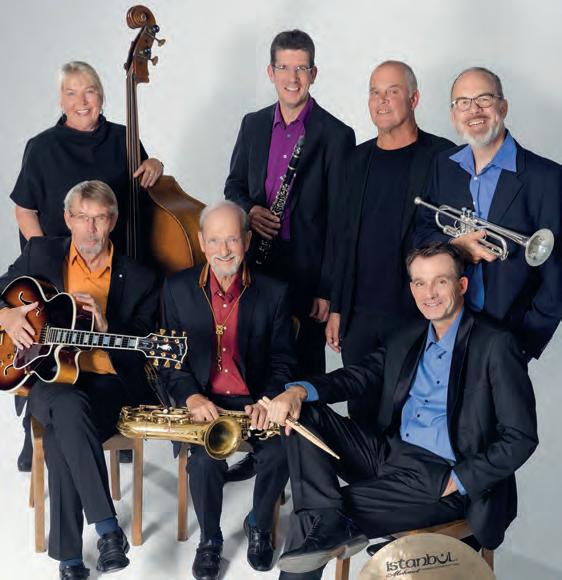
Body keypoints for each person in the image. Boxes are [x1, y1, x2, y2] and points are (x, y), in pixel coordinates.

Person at [265, 243, 538, 579]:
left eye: (440, 281)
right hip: (388, 454)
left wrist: (458, 480)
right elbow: (357, 376)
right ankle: (325, 516)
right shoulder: (407, 336)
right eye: (420, 283)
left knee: (317, 520)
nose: (429, 293)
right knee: (304, 414)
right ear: (411, 288)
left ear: (462, 285)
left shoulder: (495, 344)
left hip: (442, 475)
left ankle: (324, 519)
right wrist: (297, 391)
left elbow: (521, 438)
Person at [0, 180, 159, 580]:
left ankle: (70, 559)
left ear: (113, 221)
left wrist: (107, 325)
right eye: (82, 217)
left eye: (100, 218)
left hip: (107, 387)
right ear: (67, 218)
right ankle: (107, 531)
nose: (91, 228)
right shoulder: (40, 254)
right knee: (66, 405)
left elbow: (143, 351)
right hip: (47, 380)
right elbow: (2, 291)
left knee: (62, 430)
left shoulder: (140, 278)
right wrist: (7, 316)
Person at [9, 60, 163, 471]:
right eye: (72, 92)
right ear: (61, 100)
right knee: (49, 347)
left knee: (110, 340)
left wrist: (155, 167)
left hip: (114, 265)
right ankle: (34, 422)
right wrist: (47, 262)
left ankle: (112, 413)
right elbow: (24, 209)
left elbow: (142, 186)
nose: (82, 100)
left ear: (102, 96)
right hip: (61, 265)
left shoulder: (124, 138)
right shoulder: (42, 147)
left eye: (90, 90)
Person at [224, 28, 354, 482]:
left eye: (301, 68)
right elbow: (233, 186)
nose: (292, 78)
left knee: (304, 372)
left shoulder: (336, 135)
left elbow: (340, 223)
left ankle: (304, 471)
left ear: (314, 73)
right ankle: (262, 455)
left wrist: (328, 290)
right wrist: (250, 210)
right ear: (271, 71)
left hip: (306, 277)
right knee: (256, 362)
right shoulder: (253, 124)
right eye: (284, 67)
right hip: (257, 269)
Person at [160, 200, 297, 580]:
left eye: (233, 239)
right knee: (203, 462)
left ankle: (258, 523)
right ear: (201, 242)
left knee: (282, 450)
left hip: (255, 400)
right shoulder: (176, 288)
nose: (224, 250)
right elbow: (169, 360)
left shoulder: (275, 291)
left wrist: (267, 400)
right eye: (215, 240)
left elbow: (283, 361)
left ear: (248, 241)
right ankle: (210, 539)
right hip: (205, 401)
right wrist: (191, 397)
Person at [325, 60, 454, 430]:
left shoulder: (443, 157)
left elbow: (451, 236)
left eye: (392, 91)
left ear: (413, 98)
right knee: (362, 417)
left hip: (416, 313)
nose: (381, 100)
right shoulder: (355, 160)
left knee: (416, 416)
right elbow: (341, 238)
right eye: (374, 92)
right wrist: (337, 307)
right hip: (359, 317)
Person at [415, 66, 562, 361]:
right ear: (453, 114)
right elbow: (422, 233)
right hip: (444, 325)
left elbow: (557, 276)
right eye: (463, 102)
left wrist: (522, 343)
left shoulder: (546, 177)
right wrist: (454, 246)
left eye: (484, 99)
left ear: (503, 107)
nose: (474, 110)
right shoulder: (444, 165)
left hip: (506, 335)